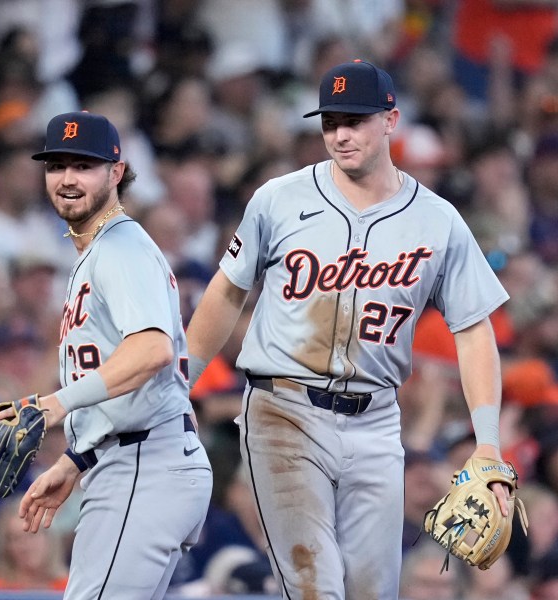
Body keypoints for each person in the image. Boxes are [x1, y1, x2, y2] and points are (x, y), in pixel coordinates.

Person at [186, 59, 513, 599]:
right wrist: (183, 385)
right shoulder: (279, 198)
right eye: (331, 121)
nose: (340, 134)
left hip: (377, 421)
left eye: (355, 120)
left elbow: (474, 331)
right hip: (282, 409)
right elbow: (226, 290)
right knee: (316, 586)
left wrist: (489, 443)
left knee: (371, 591)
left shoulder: (437, 219)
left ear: (391, 120)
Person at [0, 110, 212, 600]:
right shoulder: (97, 252)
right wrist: (76, 459)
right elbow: (130, 380)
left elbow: (152, 350)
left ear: (116, 173)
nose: (68, 178)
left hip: (143, 467)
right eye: (57, 166)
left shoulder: (120, 248)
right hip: (131, 459)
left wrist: (56, 403)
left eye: (84, 165)